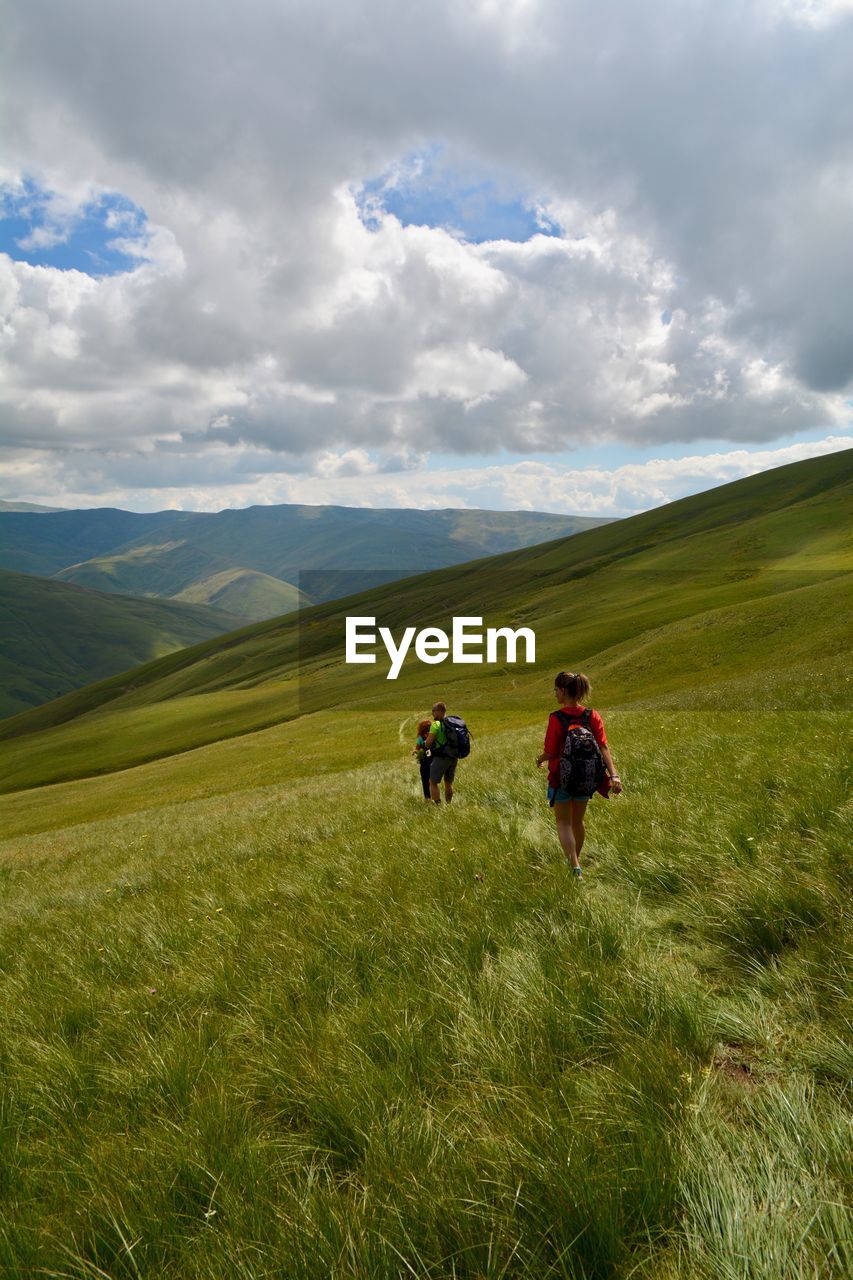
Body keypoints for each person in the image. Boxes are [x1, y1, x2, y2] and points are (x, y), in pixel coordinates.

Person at [536, 671, 622, 878]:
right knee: (577, 822)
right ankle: (576, 861)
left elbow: (551, 751)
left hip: (561, 778)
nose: (555, 694)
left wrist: (539, 759)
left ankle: (575, 867)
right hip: (587, 777)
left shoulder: (557, 718)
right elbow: (603, 747)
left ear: (564, 691)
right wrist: (614, 775)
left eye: (556, 690)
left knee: (563, 823)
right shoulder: (592, 715)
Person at [425, 701, 459, 805]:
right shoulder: (451, 723)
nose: (432, 713)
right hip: (453, 756)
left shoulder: (436, 724)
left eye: (433, 711)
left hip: (441, 757)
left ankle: (438, 807)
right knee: (448, 783)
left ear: (440, 711)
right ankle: (449, 804)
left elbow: (428, 743)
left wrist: (426, 743)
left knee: (433, 782)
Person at [411, 718, 433, 801]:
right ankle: (433, 796)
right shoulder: (433, 735)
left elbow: (417, 749)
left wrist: (415, 752)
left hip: (425, 762)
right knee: (432, 781)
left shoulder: (420, 738)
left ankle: (428, 798)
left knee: (425, 780)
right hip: (434, 760)